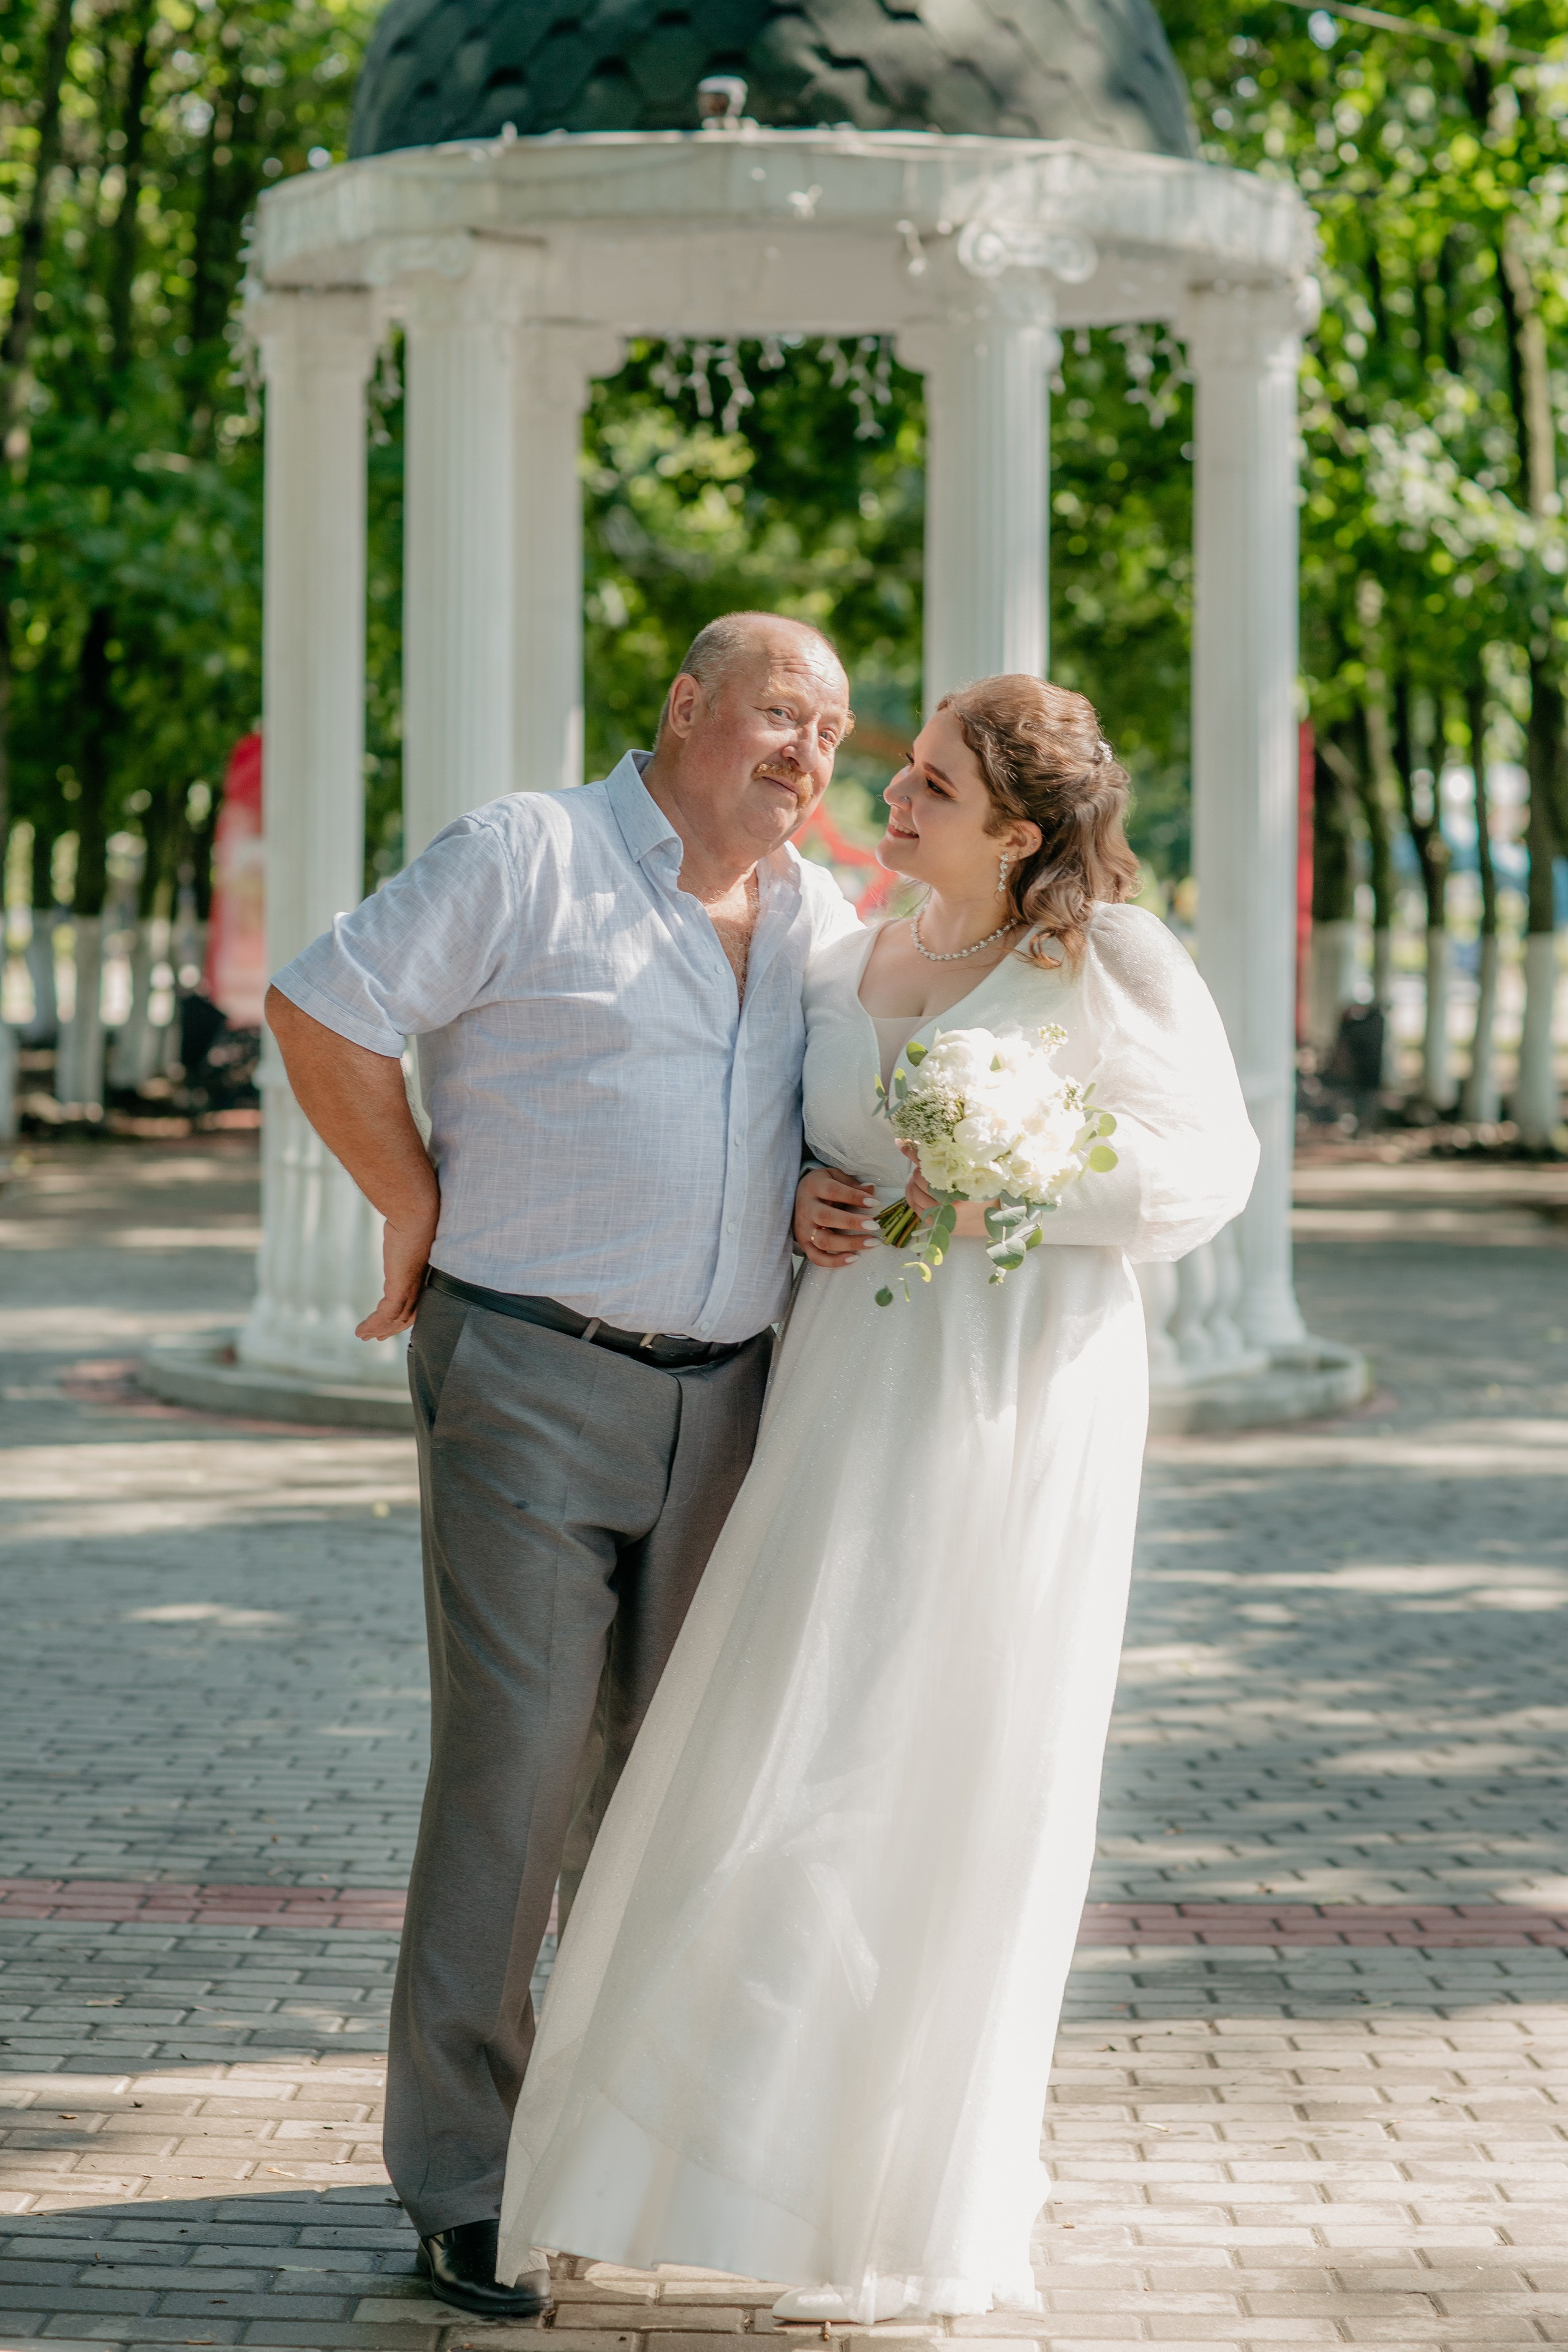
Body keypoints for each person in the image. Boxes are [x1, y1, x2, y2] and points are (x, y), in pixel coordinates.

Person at [496, 675, 1260, 2320]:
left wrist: (1017, 1189)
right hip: (843, 1391)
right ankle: (698, 2160)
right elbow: (774, 1141)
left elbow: (1206, 1172)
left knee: (957, 1757)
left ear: (1020, 832)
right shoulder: (842, 954)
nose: (891, 798)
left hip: (1017, 1399)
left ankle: (896, 2190)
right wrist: (809, 1204)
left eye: (931, 785)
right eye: (904, 772)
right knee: (782, 1746)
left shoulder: (1112, 959)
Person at [263, 612, 861, 2320]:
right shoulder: (529, 853)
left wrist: (822, 1197)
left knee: (668, 1795)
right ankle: (465, 2179)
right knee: (515, 1780)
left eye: (831, 733)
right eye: (780, 716)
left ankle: (602, 2147)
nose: (808, 755)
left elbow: (812, 1122)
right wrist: (410, 1200)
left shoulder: (818, 919)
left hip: (736, 1399)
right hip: (529, 1374)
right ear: (685, 707)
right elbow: (324, 1009)